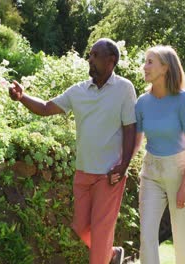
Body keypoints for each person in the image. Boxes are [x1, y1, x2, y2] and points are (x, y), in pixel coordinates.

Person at [8, 38, 137, 264]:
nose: (90, 59)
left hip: (110, 175)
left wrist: (123, 164)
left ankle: (103, 256)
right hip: (83, 172)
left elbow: (130, 129)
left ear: (111, 60)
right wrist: (21, 97)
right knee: (80, 227)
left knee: (100, 232)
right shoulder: (78, 91)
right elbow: (46, 108)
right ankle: (112, 255)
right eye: (90, 55)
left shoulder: (124, 89)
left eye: (95, 55)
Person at [122, 45, 185, 263]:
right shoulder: (142, 103)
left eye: (150, 62)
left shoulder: (183, 100)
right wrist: (121, 166)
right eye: (145, 61)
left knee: (184, 241)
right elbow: (136, 144)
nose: (144, 67)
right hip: (152, 172)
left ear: (165, 68)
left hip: (180, 170)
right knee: (146, 236)